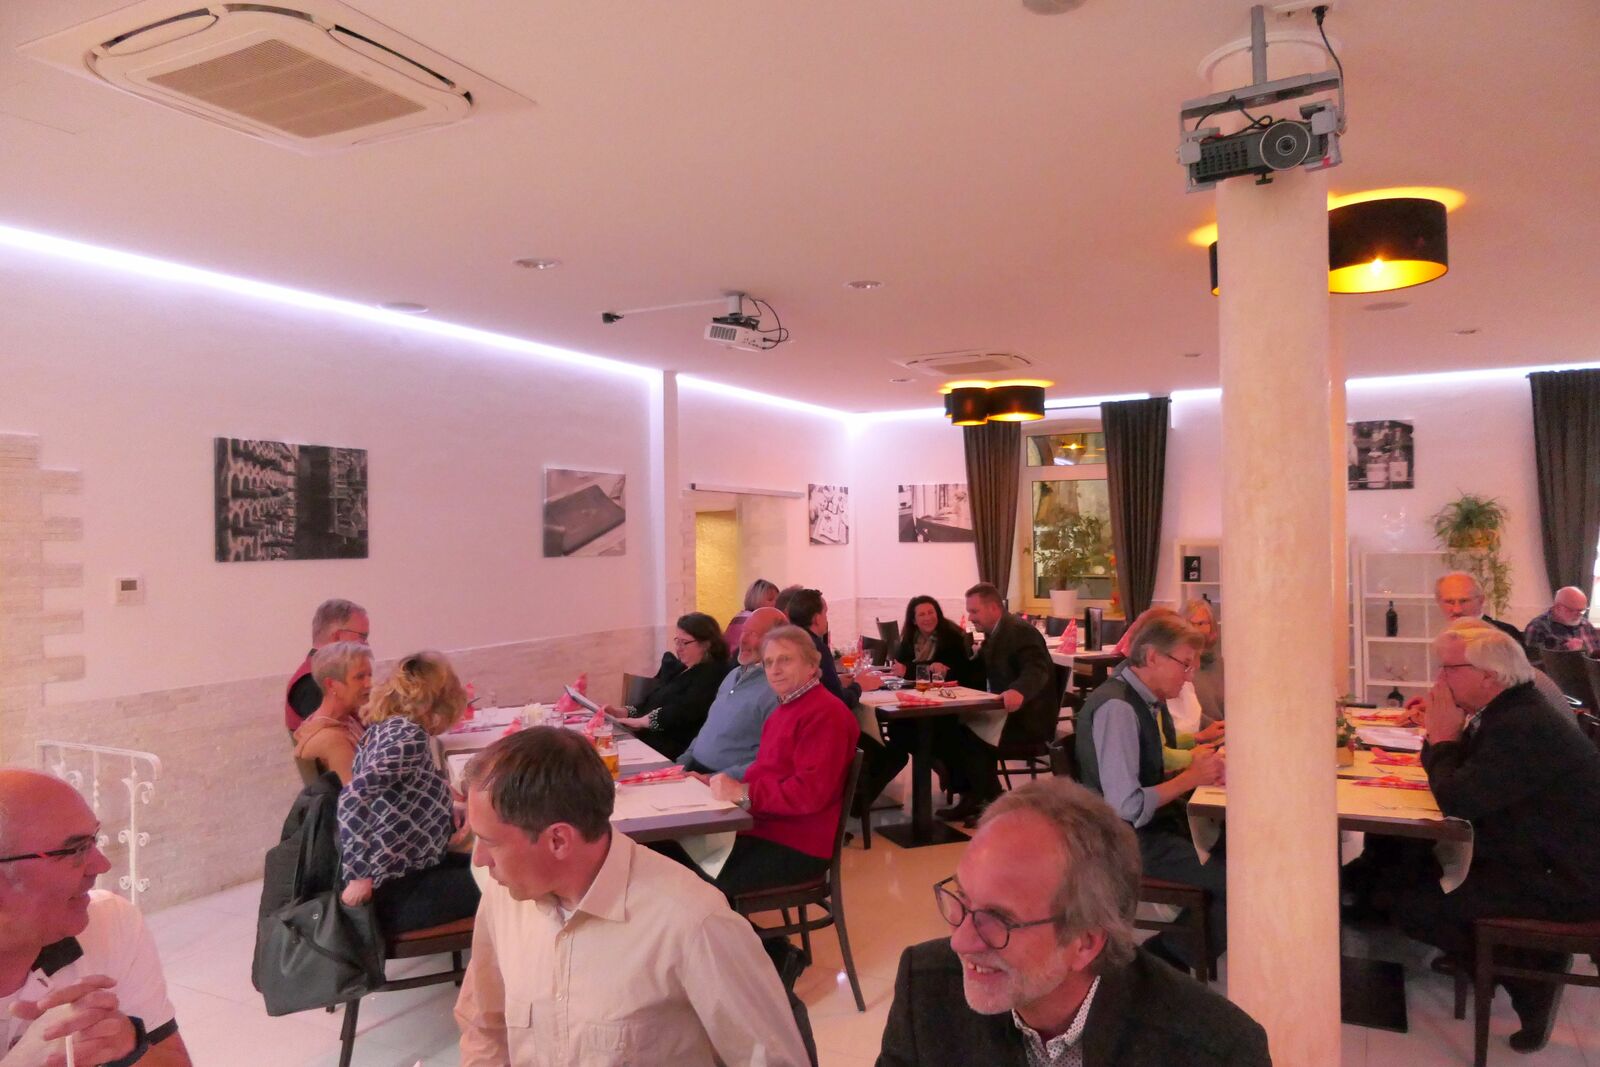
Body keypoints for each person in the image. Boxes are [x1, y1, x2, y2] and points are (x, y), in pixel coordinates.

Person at [454, 728, 810, 1067]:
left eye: (490, 842)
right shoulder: (504, 897)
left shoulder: (693, 923)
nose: (480, 860)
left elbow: (772, 1059)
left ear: (558, 840)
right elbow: (484, 1026)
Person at [875, 778, 1271, 1066]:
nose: (960, 942)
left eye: (998, 920)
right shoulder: (926, 989)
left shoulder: (1216, 1049)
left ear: (1085, 941)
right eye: (962, 900)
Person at [1394, 625, 1600, 1054]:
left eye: (1448, 669)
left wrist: (1443, 738)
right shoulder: (1511, 709)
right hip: (1546, 857)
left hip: (1569, 880)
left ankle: (1530, 982)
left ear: (1488, 676)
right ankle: (1519, 965)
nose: (1439, 679)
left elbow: (1457, 800)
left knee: (1413, 905)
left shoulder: (1523, 724)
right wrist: (1442, 734)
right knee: (1406, 865)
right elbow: (1460, 776)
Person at [0, 769, 192, 1066]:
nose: (102, 865)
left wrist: (128, 1047)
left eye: (94, 840)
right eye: (74, 850)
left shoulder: (111, 923)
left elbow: (172, 1061)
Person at [1074, 614, 1226, 971]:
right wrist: (1191, 777)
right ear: (1153, 656)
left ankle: (1182, 946)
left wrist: (1192, 769)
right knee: (1241, 884)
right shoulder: (1118, 708)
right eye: (1185, 665)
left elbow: (1148, 765)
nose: (1189, 676)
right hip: (1125, 841)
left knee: (1235, 849)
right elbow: (1126, 807)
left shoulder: (1142, 700)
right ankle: (1161, 960)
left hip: (1149, 828)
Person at [700, 625, 859, 900]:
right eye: (769, 662)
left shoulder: (826, 714)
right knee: (673, 855)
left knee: (691, 879)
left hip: (798, 846)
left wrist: (742, 793)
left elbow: (808, 794)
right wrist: (715, 781)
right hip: (763, 828)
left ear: (812, 665)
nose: (774, 670)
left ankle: (736, 928)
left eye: (785, 660)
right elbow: (765, 771)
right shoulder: (785, 708)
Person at [337, 651, 479, 935]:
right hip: (401, 892)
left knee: (494, 865)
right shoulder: (409, 737)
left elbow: (400, 793)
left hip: (405, 875)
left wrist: (447, 806)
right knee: (509, 879)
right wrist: (359, 877)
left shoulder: (384, 729)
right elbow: (352, 798)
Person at [933, 583, 1058, 825]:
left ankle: (992, 802)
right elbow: (977, 670)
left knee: (967, 737)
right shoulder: (996, 632)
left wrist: (1019, 690)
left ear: (993, 608)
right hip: (1001, 714)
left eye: (974, 611)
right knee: (947, 729)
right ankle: (973, 797)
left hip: (1026, 720)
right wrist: (949, 672)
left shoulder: (1020, 632)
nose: (971, 617)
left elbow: (1037, 668)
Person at [677, 606, 787, 779]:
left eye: (753, 634)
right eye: (744, 631)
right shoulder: (732, 675)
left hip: (722, 782)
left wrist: (715, 779)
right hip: (692, 771)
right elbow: (708, 729)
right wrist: (681, 764)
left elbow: (770, 760)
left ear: (777, 642)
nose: (743, 639)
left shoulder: (776, 689)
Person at [607, 613, 730, 761]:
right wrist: (622, 712)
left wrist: (644, 721)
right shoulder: (681, 668)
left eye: (685, 642)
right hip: (650, 741)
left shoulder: (713, 673)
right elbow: (653, 701)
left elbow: (686, 710)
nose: (678, 648)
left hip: (673, 749)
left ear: (706, 644)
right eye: (677, 641)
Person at [284, 598, 370, 733]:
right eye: (362, 637)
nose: (366, 644)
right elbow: (330, 735)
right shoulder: (310, 681)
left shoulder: (323, 673)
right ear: (337, 636)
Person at [291, 641, 371, 783]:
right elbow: (356, 794)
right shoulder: (333, 740)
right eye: (359, 677)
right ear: (331, 684)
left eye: (370, 675)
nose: (369, 683)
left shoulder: (345, 719)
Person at [889, 596, 981, 686]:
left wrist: (908, 670)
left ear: (937, 614)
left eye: (931, 612)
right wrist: (929, 668)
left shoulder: (952, 636)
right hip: (919, 689)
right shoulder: (910, 637)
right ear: (914, 621)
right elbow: (899, 665)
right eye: (922, 614)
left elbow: (956, 672)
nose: (927, 618)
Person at [1434, 571, 1522, 645]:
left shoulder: (1504, 634)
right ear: (1438, 602)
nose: (1457, 609)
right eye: (1449, 602)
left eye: (1464, 601)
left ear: (1481, 600)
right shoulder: (1442, 637)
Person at [1182, 598, 1226, 727]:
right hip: (1193, 733)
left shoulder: (1221, 664)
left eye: (1201, 623)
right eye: (1190, 623)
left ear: (1211, 626)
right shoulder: (1176, 664)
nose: (1196, 629)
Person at [1524, 585, 1600, 656]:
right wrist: (1565, 649)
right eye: (1572, 610)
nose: (1579, 615)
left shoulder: (1586, 624)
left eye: (1582, 611)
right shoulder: (1537, 627)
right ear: (1557, 607)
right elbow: (1534, 662)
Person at [725, 578, 779, 652]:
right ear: (755, 599)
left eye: (777, 600)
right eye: (770, 599)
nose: (775, 603)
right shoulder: (753, 620)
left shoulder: (741, 616)